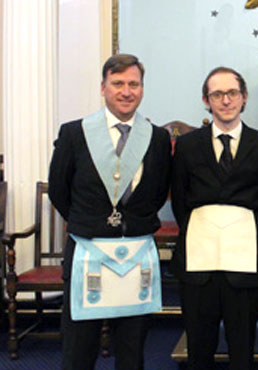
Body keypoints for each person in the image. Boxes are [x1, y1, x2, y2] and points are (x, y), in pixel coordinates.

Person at [48, 53, 172, 370]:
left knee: (132, 353)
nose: (126, 91)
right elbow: (60, 190)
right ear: (103, 87)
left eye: (133, 84)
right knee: (78, 351)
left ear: (142, 89)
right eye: (118, 83)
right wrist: (91, 222)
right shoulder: (75, 133)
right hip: (88, 252)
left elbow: (158, 192)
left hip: (135, 253)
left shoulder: (157, 138)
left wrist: (130, 221)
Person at [170, 66, 258, 370]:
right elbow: (180, 201)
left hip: (243, 266)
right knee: (199, 350)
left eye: (232, 93)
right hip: (197, 266)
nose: (226, 100)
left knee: (242, 349)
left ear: (243, 98)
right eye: (217, 94)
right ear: (206, 100)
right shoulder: (187, 146)